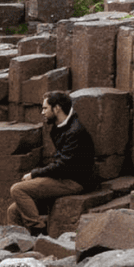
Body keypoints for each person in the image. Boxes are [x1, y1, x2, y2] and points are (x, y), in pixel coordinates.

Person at [7, 90, 96, 234]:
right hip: (62, 177)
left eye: (45, 108)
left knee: (17, 189)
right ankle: (19, 244)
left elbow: (64, 165)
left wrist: (34, 174)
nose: (42, 112)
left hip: (75, 181)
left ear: (57, 108)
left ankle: (39, 232)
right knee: (13, 210)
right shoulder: (58, 128)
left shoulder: (75, 131)